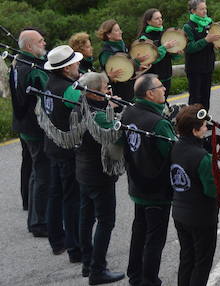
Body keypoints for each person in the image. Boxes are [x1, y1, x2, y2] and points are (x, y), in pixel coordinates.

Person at [120, 74, 176, 286]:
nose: (164, 89)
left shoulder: (129, 112)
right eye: (160, 87)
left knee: (139, 232)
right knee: (155, 238)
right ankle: (149, 280)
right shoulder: (158, 123)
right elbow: (172, 154)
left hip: (137, 184)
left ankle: (135, 274)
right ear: (150, 94)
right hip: (157, 190)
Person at [76, 72, 126, 285]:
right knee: (105, 221)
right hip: (100, 174)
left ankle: (87, 262)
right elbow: (113, 137)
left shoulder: (78, 106)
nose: (109, 90)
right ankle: (98, 269)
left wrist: (110, 108)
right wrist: (116, 114)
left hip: (83, 171)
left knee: (86, 217)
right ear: (96, 92)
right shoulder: (97, 115)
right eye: (106, 87)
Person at [41, 44, 84, 261]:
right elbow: (84, 109)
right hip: (68, 149)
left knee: (56, 194)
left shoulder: (50, 84)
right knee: (72, 199)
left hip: (53, 145)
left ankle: (57, 239)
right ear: (67, 68)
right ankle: (75, 246)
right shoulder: (68, 89)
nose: (78, 64)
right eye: (75, 62)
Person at [171, 104, 219, 286]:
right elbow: (212, 190)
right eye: (204, 126)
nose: (206, 128)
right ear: (195, 130)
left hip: (179, 212)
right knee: (202, 263)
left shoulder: (175, 147)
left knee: (187, 258)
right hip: (201, 216)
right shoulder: (202, 157)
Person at [11, 28, 49, 237]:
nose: (44, 44)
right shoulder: (32, 68)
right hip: (34, 127)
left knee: (35, 170)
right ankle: (38, 222)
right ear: (29, 46)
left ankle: (34, 214)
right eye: (41, 41)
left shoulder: (18, 62)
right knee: (42, 173)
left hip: (23, 124)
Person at [183, 0, 220, 109]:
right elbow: (189, 47)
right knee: (195, 98)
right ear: (193, 11)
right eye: (201, 9)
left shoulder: (210, 23)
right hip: (194, 68)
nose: (205, 11)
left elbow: (217, 42)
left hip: (208, 65)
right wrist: (206, 40)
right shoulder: (188, 26)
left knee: (206, 96)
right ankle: (193, 123)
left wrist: (219, 45)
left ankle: (204, 121)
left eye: (205, 8)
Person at [137, 8, 179, 97]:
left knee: (164, 102)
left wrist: (176, 51)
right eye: (157, 18)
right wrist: (164, 47)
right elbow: (150, 58)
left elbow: (171, 55)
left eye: (161, 18)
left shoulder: (164, 33)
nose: (160, 20)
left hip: (166, 75)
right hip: (153, 79)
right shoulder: (144, 38)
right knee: (156, 105)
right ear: (148, 21)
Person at [97, 19, 140, 101]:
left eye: (120, 29)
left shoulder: (122, 46)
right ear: (109, 35)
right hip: (120, 93)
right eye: (117, 30)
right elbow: (111, 76)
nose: (120, 32)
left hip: (131, 89)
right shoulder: (106, 53)